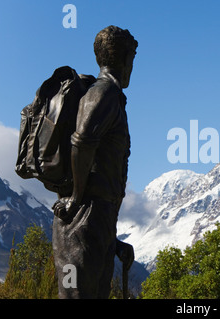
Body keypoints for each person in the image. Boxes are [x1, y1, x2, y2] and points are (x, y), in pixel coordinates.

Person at [52, 25, 138, 299]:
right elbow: (82, 141)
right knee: (75, 294)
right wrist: (75, 199)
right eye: (132, 58)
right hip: (82, 219)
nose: (132, 66)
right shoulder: (103, 93)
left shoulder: (109, 96)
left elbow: (97, 172)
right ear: (125, 59)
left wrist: (112, 242)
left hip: (96, 220)